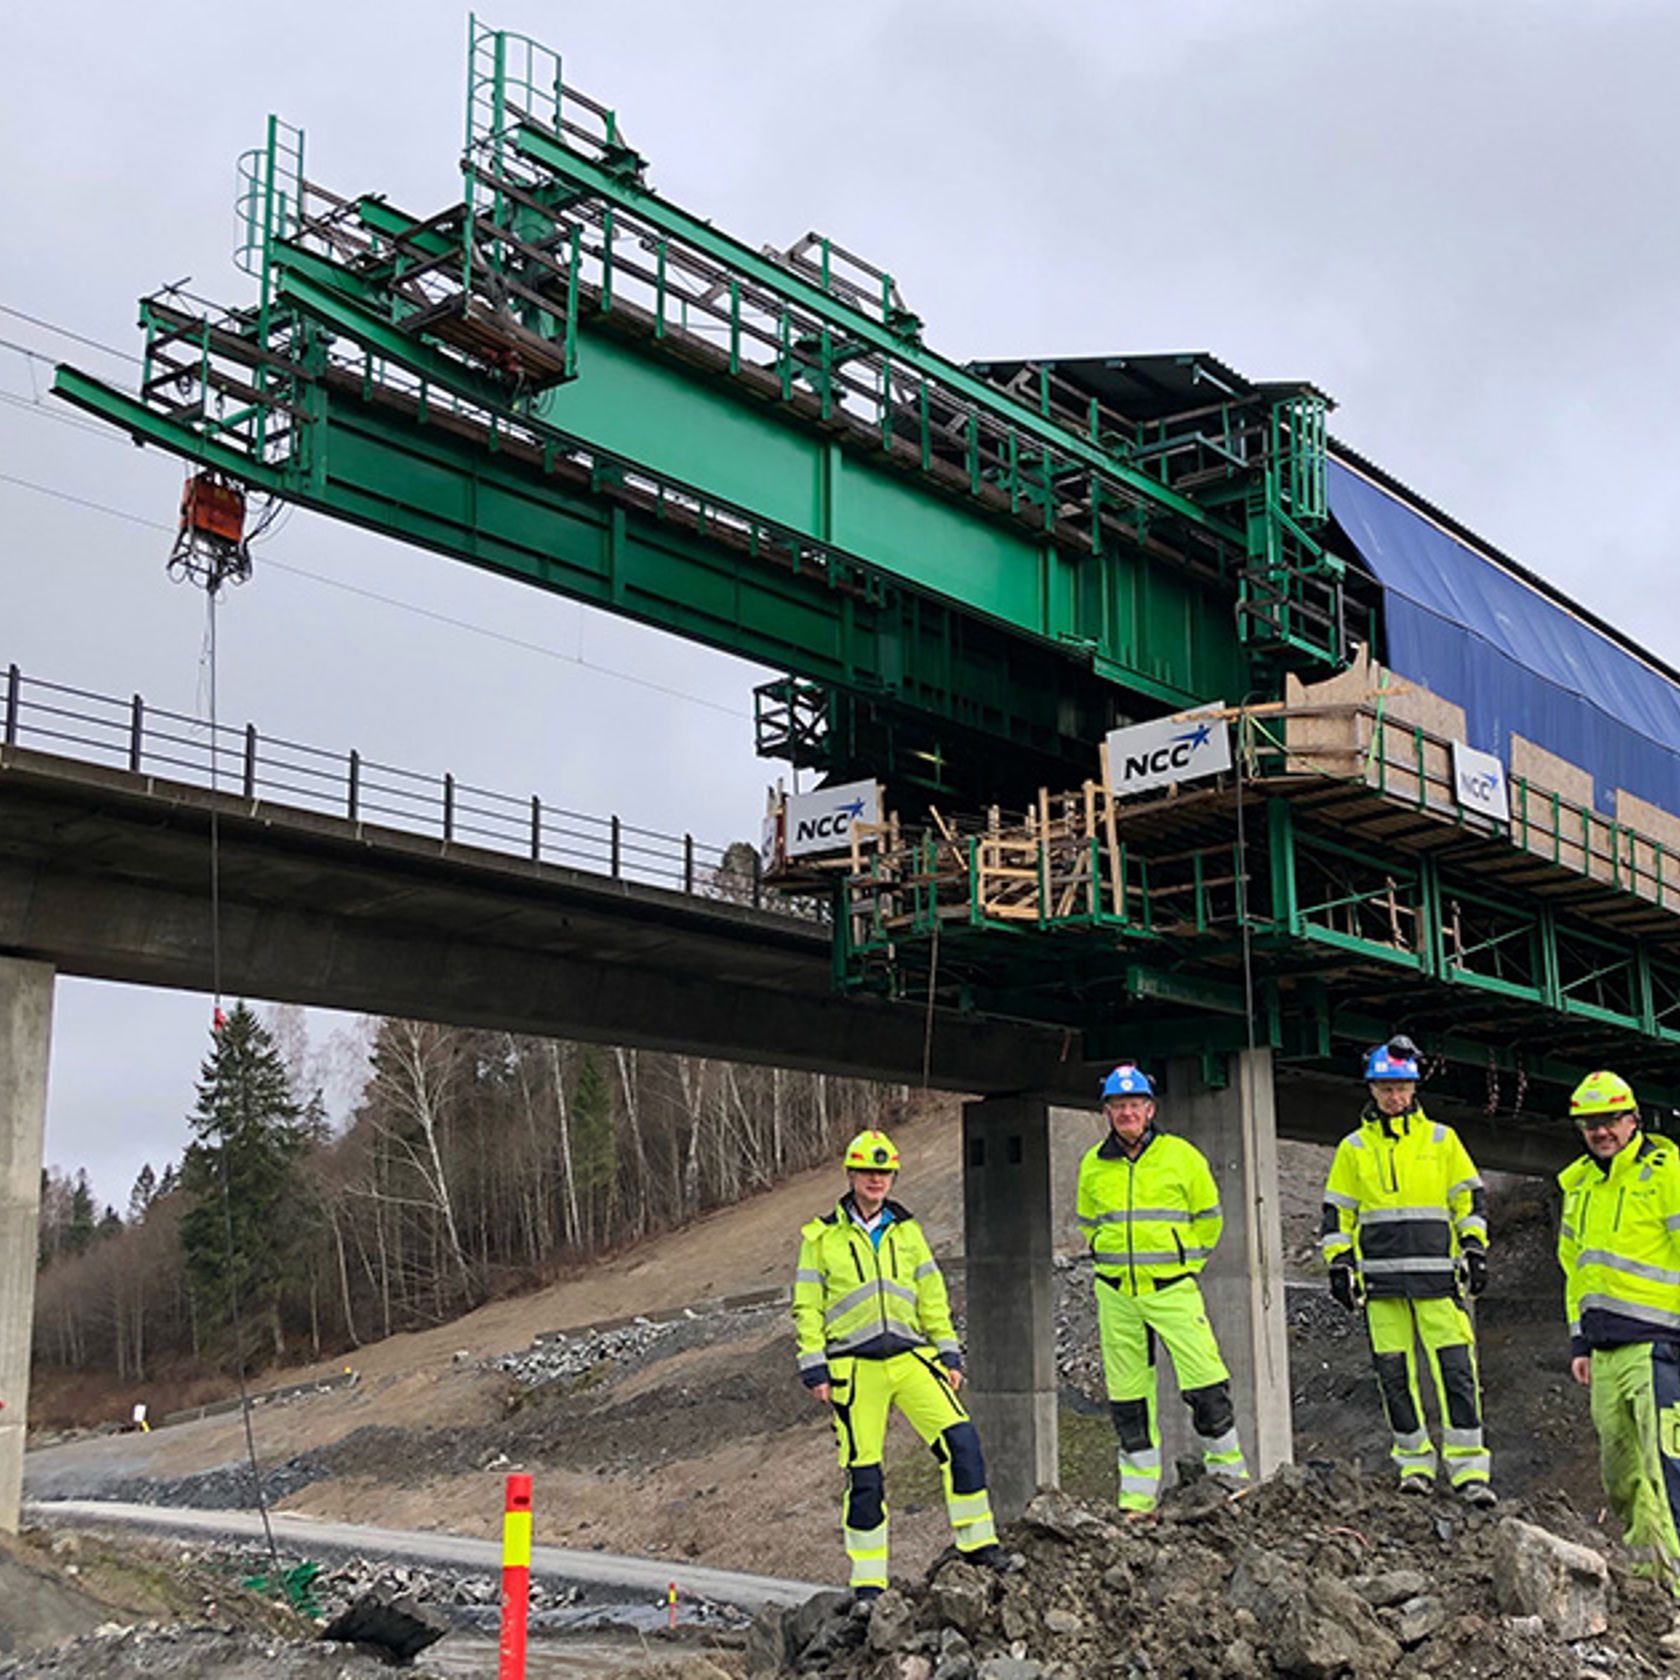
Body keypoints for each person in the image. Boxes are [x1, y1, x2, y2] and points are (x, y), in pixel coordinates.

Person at [792, 1128, 1018, 1601]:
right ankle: (869, 1582)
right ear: (852, 1174)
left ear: (893, 1176)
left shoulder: (908, 1231)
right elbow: (807, 1306)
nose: (877, 1179)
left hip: (912, 1358)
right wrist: (813, 1367)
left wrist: (948, 1351)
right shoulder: (821, 1237)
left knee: (963, 1443)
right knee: (865, 1475)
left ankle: (978, 1545)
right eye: (868, 1171)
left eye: (884, 1171)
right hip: (854, 1370)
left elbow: (932, 1298)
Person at [1320, 1037, 1495, 1504]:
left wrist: (1475, 1249)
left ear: (1414, 1088)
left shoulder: (1442, 1140)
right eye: (1385, 1088)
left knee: (1457, 1373)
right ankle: (1414, 1464)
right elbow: (1337, 1214)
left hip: (1439, 1283)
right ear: (1372, 1090)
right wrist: (1338, 1263)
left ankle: (1469, 1471)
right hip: (1381, 1287)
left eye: (1401, 1087)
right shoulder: (1353, 1149)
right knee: (1394, 1378)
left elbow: (1469, 1199)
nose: (1393, 1097)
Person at [1075, 1064, 1249, 1513]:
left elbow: (1209, 1220)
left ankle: (1229, 1478)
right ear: (1107, 1111)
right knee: (1128, 1399)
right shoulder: (1093, 1165)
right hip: (1116, 1294)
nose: (1127, 1112)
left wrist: (1184, 1264)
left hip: (1172, 1289)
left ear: (1150, 1109)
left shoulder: (1182, 1156)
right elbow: (1088, 1223)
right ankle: (1136, 1499)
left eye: (1134, 1105)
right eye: (1119, 1105)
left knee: (1206, 1382)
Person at [1558, 1070, 1680, 1594]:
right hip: (1604, 1352)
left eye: (1610, 1120)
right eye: (1590, 1123)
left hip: (1658, 1345)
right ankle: (1652, 1580)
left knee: (1668, 1471)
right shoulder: (1578, 1184)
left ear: (1633, 1118)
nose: (1601, 1131)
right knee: (1622, 1476)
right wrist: (1579, 1342)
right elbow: (1574, 1272)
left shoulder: (1666, 1170)